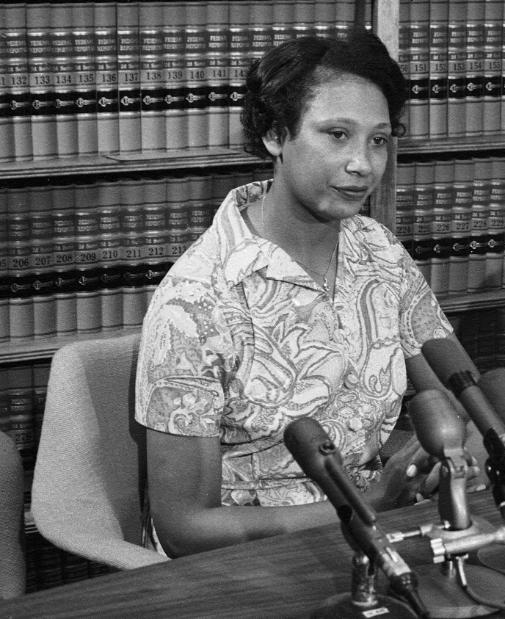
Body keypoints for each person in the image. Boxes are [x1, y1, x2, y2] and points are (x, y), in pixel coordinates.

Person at [134, 31, 466, 557]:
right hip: (249, 565)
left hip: (382, 537)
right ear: (274, 134)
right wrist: (371, 501)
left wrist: (433, 463)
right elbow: (183, 527)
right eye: (337, 135)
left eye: (378, 139)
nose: (363, 163)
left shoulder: (378, 249)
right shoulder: (195, 302)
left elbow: (456, 392)